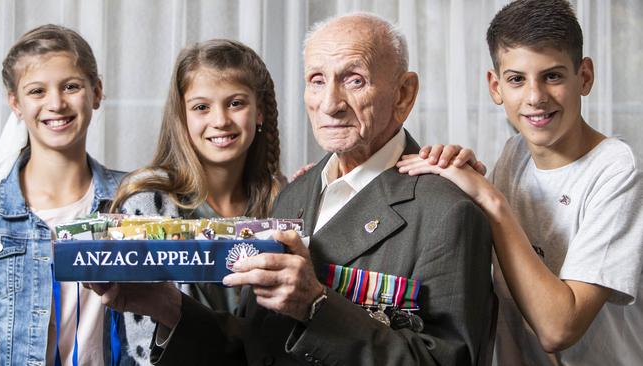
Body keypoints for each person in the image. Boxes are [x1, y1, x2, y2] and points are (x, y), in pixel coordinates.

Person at [90, 13, 494, 365]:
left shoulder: (448, 210)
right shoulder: (293, 195)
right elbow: (252, 349)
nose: (330, 102)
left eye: (354, 80)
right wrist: (164, 305)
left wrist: (316, 307)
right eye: (316, 80)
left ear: (403, 94)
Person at [397, 0, 643, 364]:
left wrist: (491, 200)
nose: (535, 98)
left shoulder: (618, 171)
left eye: (553, 76)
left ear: (585, 77)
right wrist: (451, 176)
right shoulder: (514, 155)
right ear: (495, 86)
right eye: (517, 79)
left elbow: (558, 329)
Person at [108, 39, 284, 365]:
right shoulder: (144, 205)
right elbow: (144, 348)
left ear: (259, 111)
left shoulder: (286, 202)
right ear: (182, 117)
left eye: (235, 103)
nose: (220, 120)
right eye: (201, 107)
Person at [0, 25, 126, 366]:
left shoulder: (136, 201)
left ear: (96, 92)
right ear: (16, 104)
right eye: (37, 91)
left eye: (71, 86)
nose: (56, 103)